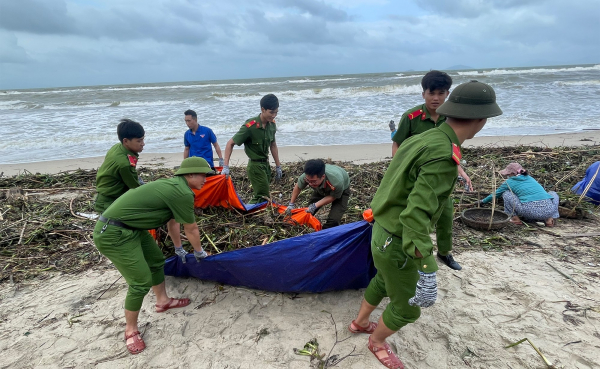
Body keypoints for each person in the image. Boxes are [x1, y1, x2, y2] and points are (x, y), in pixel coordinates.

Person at [349, 81, 502, 369]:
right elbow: (415, 216)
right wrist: (428, 266)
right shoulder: (443, 154)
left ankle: (359, 323)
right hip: (398, 239)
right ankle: (377, 342)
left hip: (381, 229)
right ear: (482, 120)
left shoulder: (425, 138)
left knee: (384, 280)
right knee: (408, 309)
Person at [92, 157, 212, 355]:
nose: (206, 180)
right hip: (113, 233)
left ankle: (163, 301)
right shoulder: (181, 191)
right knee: (140, 282)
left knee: (156, 261)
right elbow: (191, 228)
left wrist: (178, 248)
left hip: (132, 229)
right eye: (203, 175)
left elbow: (173, 222)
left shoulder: (176, 187)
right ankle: (130, 331)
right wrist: (199, 252)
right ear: (190, 174)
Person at [391, 70, 467, 270]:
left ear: (447, 94)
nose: (436, 98)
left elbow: (453, 148)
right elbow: (397, 145)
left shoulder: (452, 118)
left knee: (445, 215)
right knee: (413, 215)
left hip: (441, 176)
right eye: (431, 93)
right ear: (423, 93)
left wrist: (460, 170)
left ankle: (444, 253)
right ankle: (410, 252)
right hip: (415, 177)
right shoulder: (410, 117)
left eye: (441, 93)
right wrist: (397, 172)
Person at [222, 94, 282, 203]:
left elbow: (273, 145)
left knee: (264, 195)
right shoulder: (250, 126)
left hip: (266, 166)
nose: (274, 115)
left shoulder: (272, 125)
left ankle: (251, 212)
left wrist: (278, 166)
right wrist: (225, 166)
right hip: (255, 167)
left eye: (276, 112)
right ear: (263, 109)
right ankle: (245, 212)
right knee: (262, 196)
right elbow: (230, 143)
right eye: (271, 112)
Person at [480, 162, 560, 226]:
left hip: (529, 211)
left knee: (506, 193)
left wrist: (482, 201)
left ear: (512, 174)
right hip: (550, 210)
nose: (507, 176)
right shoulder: (530, 178)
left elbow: (496, 194)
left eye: (508, 174)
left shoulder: (509, 182)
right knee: (553, 193)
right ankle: (549, 219)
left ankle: (515, 219)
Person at [95, 119, 145, 214]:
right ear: (125, 141)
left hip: (104, 193)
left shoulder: (117, 147)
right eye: (139, 141)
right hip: (109, 201)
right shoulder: (125, 164)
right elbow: (135, 188)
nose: (143, 144)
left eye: (143, 139)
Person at [285, 159, 350, 229]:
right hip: (320, 188)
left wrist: (315, 205)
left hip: (341, 190)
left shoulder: (336, 182)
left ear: (323, 177)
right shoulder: (307, 176)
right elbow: (298, 187)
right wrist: (291, 204)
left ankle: (324, 234)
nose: (310, 184)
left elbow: (333, 196)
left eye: (313, 181)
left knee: (334, 220)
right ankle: (301, 227)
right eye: (308, 181)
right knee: (307, 211)